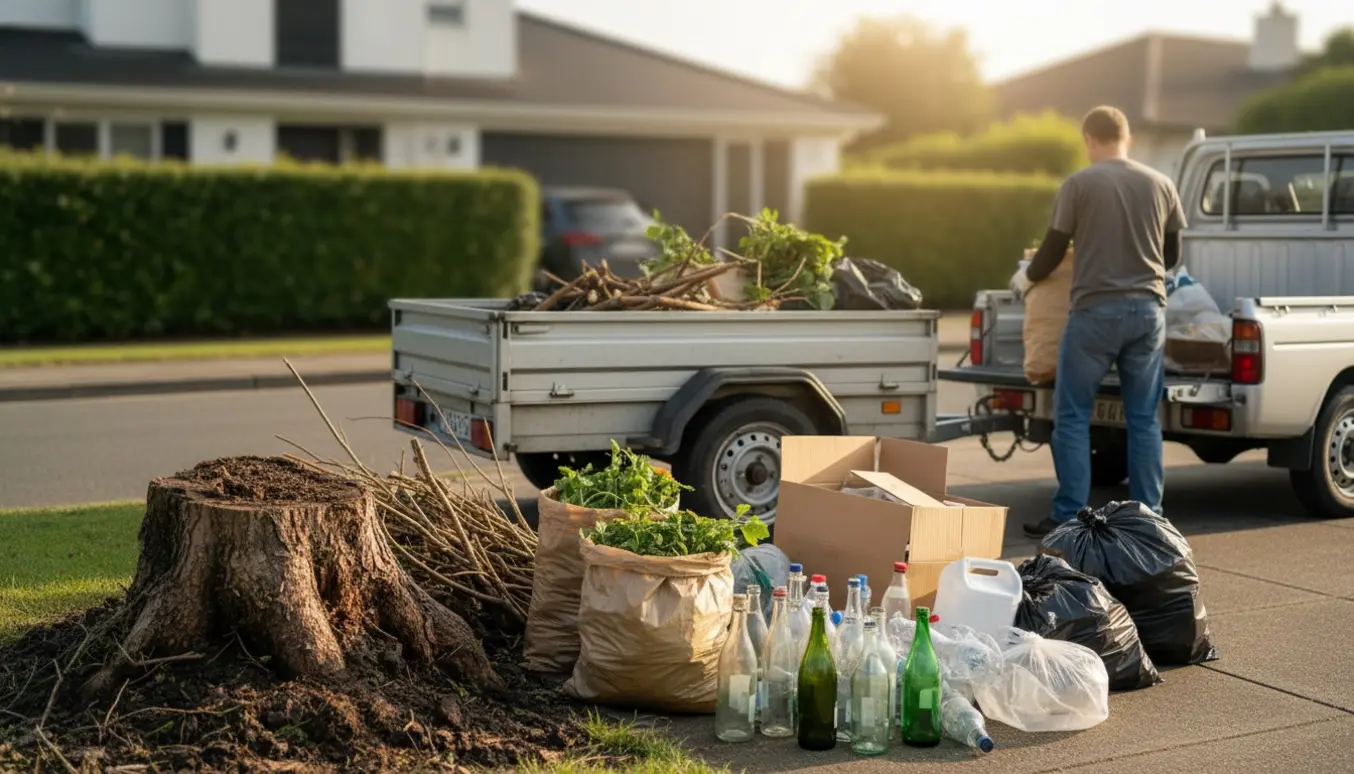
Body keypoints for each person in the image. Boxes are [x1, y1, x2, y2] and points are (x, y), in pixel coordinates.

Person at [1011, 106, 1185, 538]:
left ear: (1090, 139)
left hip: (1095, 314)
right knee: (1143, 418)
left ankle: (1069, 514)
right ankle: (1150, 519)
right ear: (1126, 137)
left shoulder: (1079, 184)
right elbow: (1173, 255)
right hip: (1148, 313)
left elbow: (1052, 248)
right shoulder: (1161, 183)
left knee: (1072, 416)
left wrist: (1025, 277)